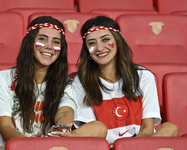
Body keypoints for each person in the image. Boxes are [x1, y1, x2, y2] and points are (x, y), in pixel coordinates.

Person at [0, 16, 107, 150]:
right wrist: (26, 143)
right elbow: (5, 127)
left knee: (99, 128)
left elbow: (64, 111)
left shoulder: (65, 82)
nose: (49, 46)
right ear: (30, 42)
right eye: (42, 39)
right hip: (16, 144)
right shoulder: (4, 78)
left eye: (56, 42)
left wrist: (61, 130)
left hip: (51, 143)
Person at [72, 16, 180, 148]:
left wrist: (130, 147)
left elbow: (147, 128)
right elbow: (93, 132)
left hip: (139, 143)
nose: (99, 48)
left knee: (171, 128)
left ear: (118, 42)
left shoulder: (144, 76)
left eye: (106, 40)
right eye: (92, 43)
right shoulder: (81, 82)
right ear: (87, 51)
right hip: (107, 146)